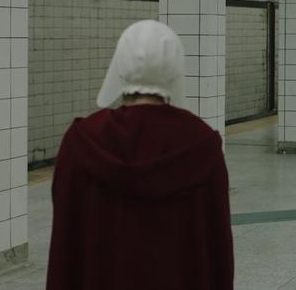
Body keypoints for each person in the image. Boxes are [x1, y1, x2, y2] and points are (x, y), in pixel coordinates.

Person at [47, 20, 234, 290]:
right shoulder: (202, 145)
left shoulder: (81, 142)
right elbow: (218, 250)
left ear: (120, 66)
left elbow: (65, 245)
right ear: (175, 68)